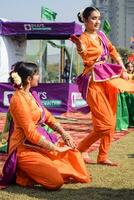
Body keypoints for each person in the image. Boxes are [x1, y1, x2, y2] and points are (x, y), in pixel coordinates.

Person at [0, 61, 91, 190]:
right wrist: (54, 148)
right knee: (55, 182)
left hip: (38, 145)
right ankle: (21, 171)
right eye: (36, 74)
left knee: (72, 153)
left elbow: (48, 117)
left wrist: (64, 133)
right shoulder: (19, 100)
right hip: (24, 149)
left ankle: (34, 171)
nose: (39, 76)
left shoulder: (31, 95)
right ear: (28, 78)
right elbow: (30, 133)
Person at [70, 6, 134, 166]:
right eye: (93, 18)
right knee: (104, 125)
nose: (97, 21)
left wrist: (124, 69)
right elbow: (83, 52)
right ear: (85, 20)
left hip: (108, 80)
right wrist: (79, 45)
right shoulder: (83, 38)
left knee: (111, 122)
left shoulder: (102, 35)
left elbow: (112, 51)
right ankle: (80, 149)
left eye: (98, 18)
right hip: (93, 83)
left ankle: (102, 156)